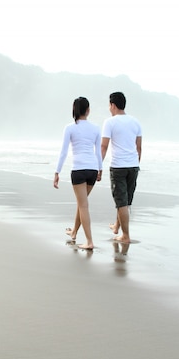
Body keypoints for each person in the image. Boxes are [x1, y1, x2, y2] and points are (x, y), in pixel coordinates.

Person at [53, 97, 103, 250]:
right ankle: (74, 232)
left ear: (74, 110)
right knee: (82, 204)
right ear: (88, 110)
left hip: (79, 170)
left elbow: (63, 152)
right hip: (92, 169)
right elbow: (98, 152)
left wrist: (57, 172)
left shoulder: (70, 128)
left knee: (83, 205)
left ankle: (89, 241)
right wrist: (100, 169)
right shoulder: (95, 128)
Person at [101, 92, 142, 244]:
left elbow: (104, 146)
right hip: (133, 166)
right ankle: (117, 226)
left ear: (113, 105)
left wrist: (98, 166)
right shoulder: (135, 122)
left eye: (109, 105)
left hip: (118, 166)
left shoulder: (110, 122)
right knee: (125, 200)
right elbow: (139, 148)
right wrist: (135, 164)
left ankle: (125, 235)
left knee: (121, 202)